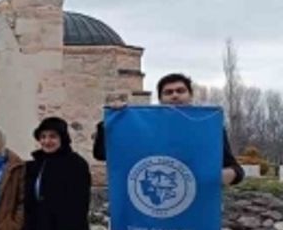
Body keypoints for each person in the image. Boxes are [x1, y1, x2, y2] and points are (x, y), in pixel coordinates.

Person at [92, 72, 245, 186]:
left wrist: (225, 175)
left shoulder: (208, 128)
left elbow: (236, 169)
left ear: (190, 95)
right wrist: (113, 122)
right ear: (160, 99)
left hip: (196, 212)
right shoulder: (144, 129)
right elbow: (102, 154)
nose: (175, 95)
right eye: (168, 92)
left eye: (180, 91)